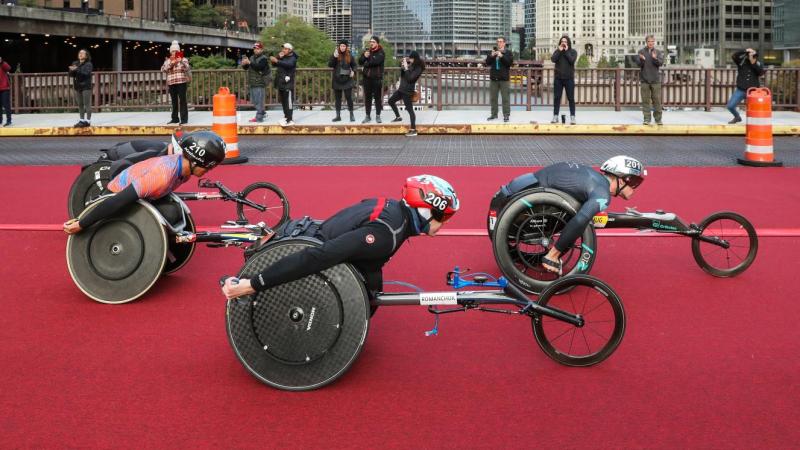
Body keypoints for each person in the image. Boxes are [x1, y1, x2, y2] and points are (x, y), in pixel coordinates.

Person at [221, 174, 460, 301]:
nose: (443, 225)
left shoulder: (391, 207)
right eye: (444, 218)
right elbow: (320, 256)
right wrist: (253, 284)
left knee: (373, 284)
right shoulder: (387, 234)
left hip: (311, 231)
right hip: (306, 248)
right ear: (426, 211)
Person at [491, 156, 646, 275]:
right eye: (635, 183)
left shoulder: (591, 176)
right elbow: (581, 218)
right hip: (524, 211)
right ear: (623, 179)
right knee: (583, 217)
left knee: (580, 210)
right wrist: (554, 254)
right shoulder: (602, 193)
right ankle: (551, 255)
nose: (635, 188)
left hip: (509, 195)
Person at [63, 131, 226, 235]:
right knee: (167, 214)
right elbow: (118, 200)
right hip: (114, 196)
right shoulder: (161, 176)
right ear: (196, 161)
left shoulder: (184, 171)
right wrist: (82, 223)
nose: (208, 172)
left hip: (141, 196)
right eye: (208, 168)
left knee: (172, 213)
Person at [388, 51, 425, 137]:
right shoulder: (412, 65)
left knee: (410, 110)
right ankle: (398, 117)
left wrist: (406, 68)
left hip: (407, 91)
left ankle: (413, 129)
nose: (410, 60)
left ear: (414, 58)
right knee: (390, 101)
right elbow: (404, 75)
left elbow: (410, 79)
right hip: (401, 89)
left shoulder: (418, 68)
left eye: (411, 58)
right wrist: (402, 67)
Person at [727, 48, 765, 124]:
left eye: (753, 55)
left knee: (754, 108)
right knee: (730, 106)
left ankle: (755, 122)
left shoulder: (758, 64)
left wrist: (753, 63)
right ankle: (737, 117)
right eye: (750, 55)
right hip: (741, 89)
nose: (751, 57)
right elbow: (734, 56)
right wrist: (745, 51)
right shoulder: (741, 62)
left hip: (753, 91)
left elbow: (761, 73)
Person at [161, 41, 191, 125]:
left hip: (181, 82)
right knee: (174, 101)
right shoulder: (168, 61)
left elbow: (187, 67)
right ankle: (175, 119)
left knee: (183, 100)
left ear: (178, 51)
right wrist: (171, 63)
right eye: (173, 51)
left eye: (176, 51)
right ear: (170, 52)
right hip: (171, 83)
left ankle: (184, 119)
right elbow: (163, 69)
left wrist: (180, 61)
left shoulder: (183, 59)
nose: (174, 52)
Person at [550, 35, 577, 125]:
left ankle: (572, 117)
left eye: (565, 41)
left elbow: (572, 61)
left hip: (569, 79)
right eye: (562, 41)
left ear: (568, 43)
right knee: (557, 98)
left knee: (571, 98)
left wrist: (566, 51)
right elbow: (553, 59)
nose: (563, 43)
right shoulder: (557, 52)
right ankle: (555, 116)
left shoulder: (573, 52)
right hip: (558, 79)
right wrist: (559, 50)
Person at [638, 35, 664, 125]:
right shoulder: (641, 51)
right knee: (645, 100)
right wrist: (642, 60)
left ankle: (658, 119)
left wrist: (654, 58)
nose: (651, 43)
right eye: (649, 41)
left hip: (655, 80)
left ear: (654, 42)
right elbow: (638, 64)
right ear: (646, 42)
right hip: (644, 79)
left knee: (656, 100)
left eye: (652, 41)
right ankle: (647, 119)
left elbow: (660, 63)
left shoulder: (658, 52)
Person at [358, 36, 386, 124]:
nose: (371, 43)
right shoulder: (367, 51)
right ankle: (367, 116)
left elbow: (376, 62)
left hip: (376, 78)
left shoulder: (381, 52)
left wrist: (366, 63)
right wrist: (364, 56)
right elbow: (360, 61)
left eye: (373, 42)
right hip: (367, 78)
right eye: (370, 42)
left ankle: (378, 115)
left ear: (377, 43)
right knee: (368, 98)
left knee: (377, 98)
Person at [328, 40, 357, 122]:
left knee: (349, 98)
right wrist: (334, 57)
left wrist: (353, 71)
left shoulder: (350, 55)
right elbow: (330, 65)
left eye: (344, 46)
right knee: (338, 99)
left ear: (346, 47)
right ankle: (338, 116)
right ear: (339, 47)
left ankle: (351, 114)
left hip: (347, 79)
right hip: (337, 80)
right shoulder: (335, 54)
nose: (342, 47)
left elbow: (354, 65)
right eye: (341, 46)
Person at [241, 41, 270, 123]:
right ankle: (263, 113)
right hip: (252, 82)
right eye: (255, 48)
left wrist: (249, 62)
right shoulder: (252, 57)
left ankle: (259, 117)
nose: (256, 50)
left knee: (258, 100)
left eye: (258, 49)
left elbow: (259, 67)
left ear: (261, 49)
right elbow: (247, 68)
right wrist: (244, 64)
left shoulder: (263, 58)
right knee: (254, 100)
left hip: (260, 82)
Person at [486, 37, 513, 123]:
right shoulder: (493, 52)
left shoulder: (508, 53)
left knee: (505, 98)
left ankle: (506, 115)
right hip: (494, 78)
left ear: (504, 43)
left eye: (501, 42)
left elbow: (509, 63)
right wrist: (491, 55)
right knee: (493, 98)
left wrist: (502, 56)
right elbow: (487, 62)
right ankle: (494, 114)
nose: (499, 43)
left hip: (504, 79)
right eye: (498, 42)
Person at [271, 43, 298, 127]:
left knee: (288, 102)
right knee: (283, 101)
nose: (283, 50)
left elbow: (289, 65)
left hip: (288, 83)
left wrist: (277, 61)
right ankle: (286, 117)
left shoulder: (293, 58)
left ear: (290, 50)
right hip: (281, 82)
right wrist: (277, 57)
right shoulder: (282, 57)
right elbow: (274, 64)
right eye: (283, 49)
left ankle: (290, 119)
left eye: (286, 49)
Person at [68, 49, 93, 128]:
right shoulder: (75, 63)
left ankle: (88, 121)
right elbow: (71, 75)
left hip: (86, 86)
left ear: (86, 56)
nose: (80, 54)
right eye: (79, 53)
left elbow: (86, 73)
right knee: (80, 104)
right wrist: (71, 70)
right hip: (77, 86)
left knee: (87, 104)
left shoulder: (88, 64)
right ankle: (81, 120)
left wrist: (76, 69)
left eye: (82, 53)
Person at [0, 55, 11, 127]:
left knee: (6, 105)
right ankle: (0, 120)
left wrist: (2, 62)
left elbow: (9, 68)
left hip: (4, 88)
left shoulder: (2, 64)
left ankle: (8, 120)